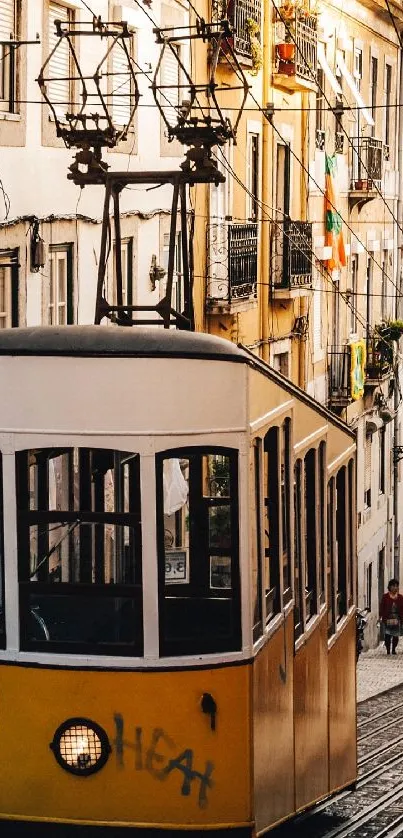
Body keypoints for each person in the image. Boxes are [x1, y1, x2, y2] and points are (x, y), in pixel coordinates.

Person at [380, 579, 403, 655]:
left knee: (396, 635)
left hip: (397, 618)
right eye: (393, 586)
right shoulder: (385, 597)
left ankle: (393, 649)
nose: (395, 588)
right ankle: (388, 649)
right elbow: (382, 607)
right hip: (388, 618)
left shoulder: (400, 597)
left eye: (397, 586)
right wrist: (382, 616)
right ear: (390, 587)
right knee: (387, 635)